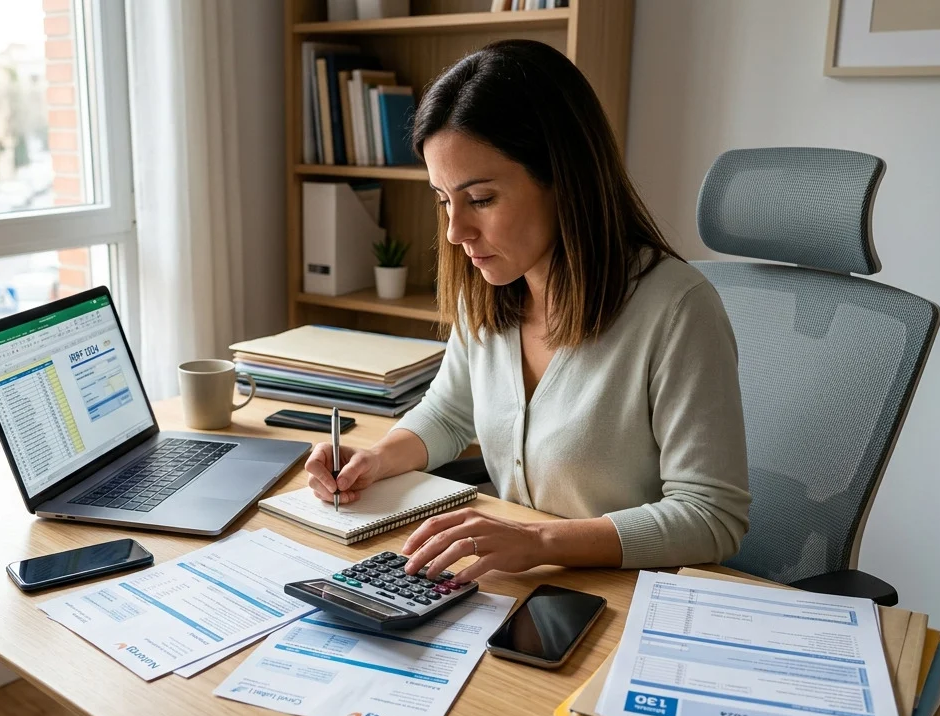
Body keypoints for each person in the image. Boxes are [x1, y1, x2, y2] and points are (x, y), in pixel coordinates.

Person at [303, 40, 751, 585]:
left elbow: (712, 517)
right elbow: (447, 414)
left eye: (482, 199)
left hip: (629, 595)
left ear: (564, 178)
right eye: (444, 199)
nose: (455, 232)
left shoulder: (677, 310)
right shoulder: (490, 289)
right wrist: (377, 459)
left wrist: (537, 541)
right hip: (523, 585)